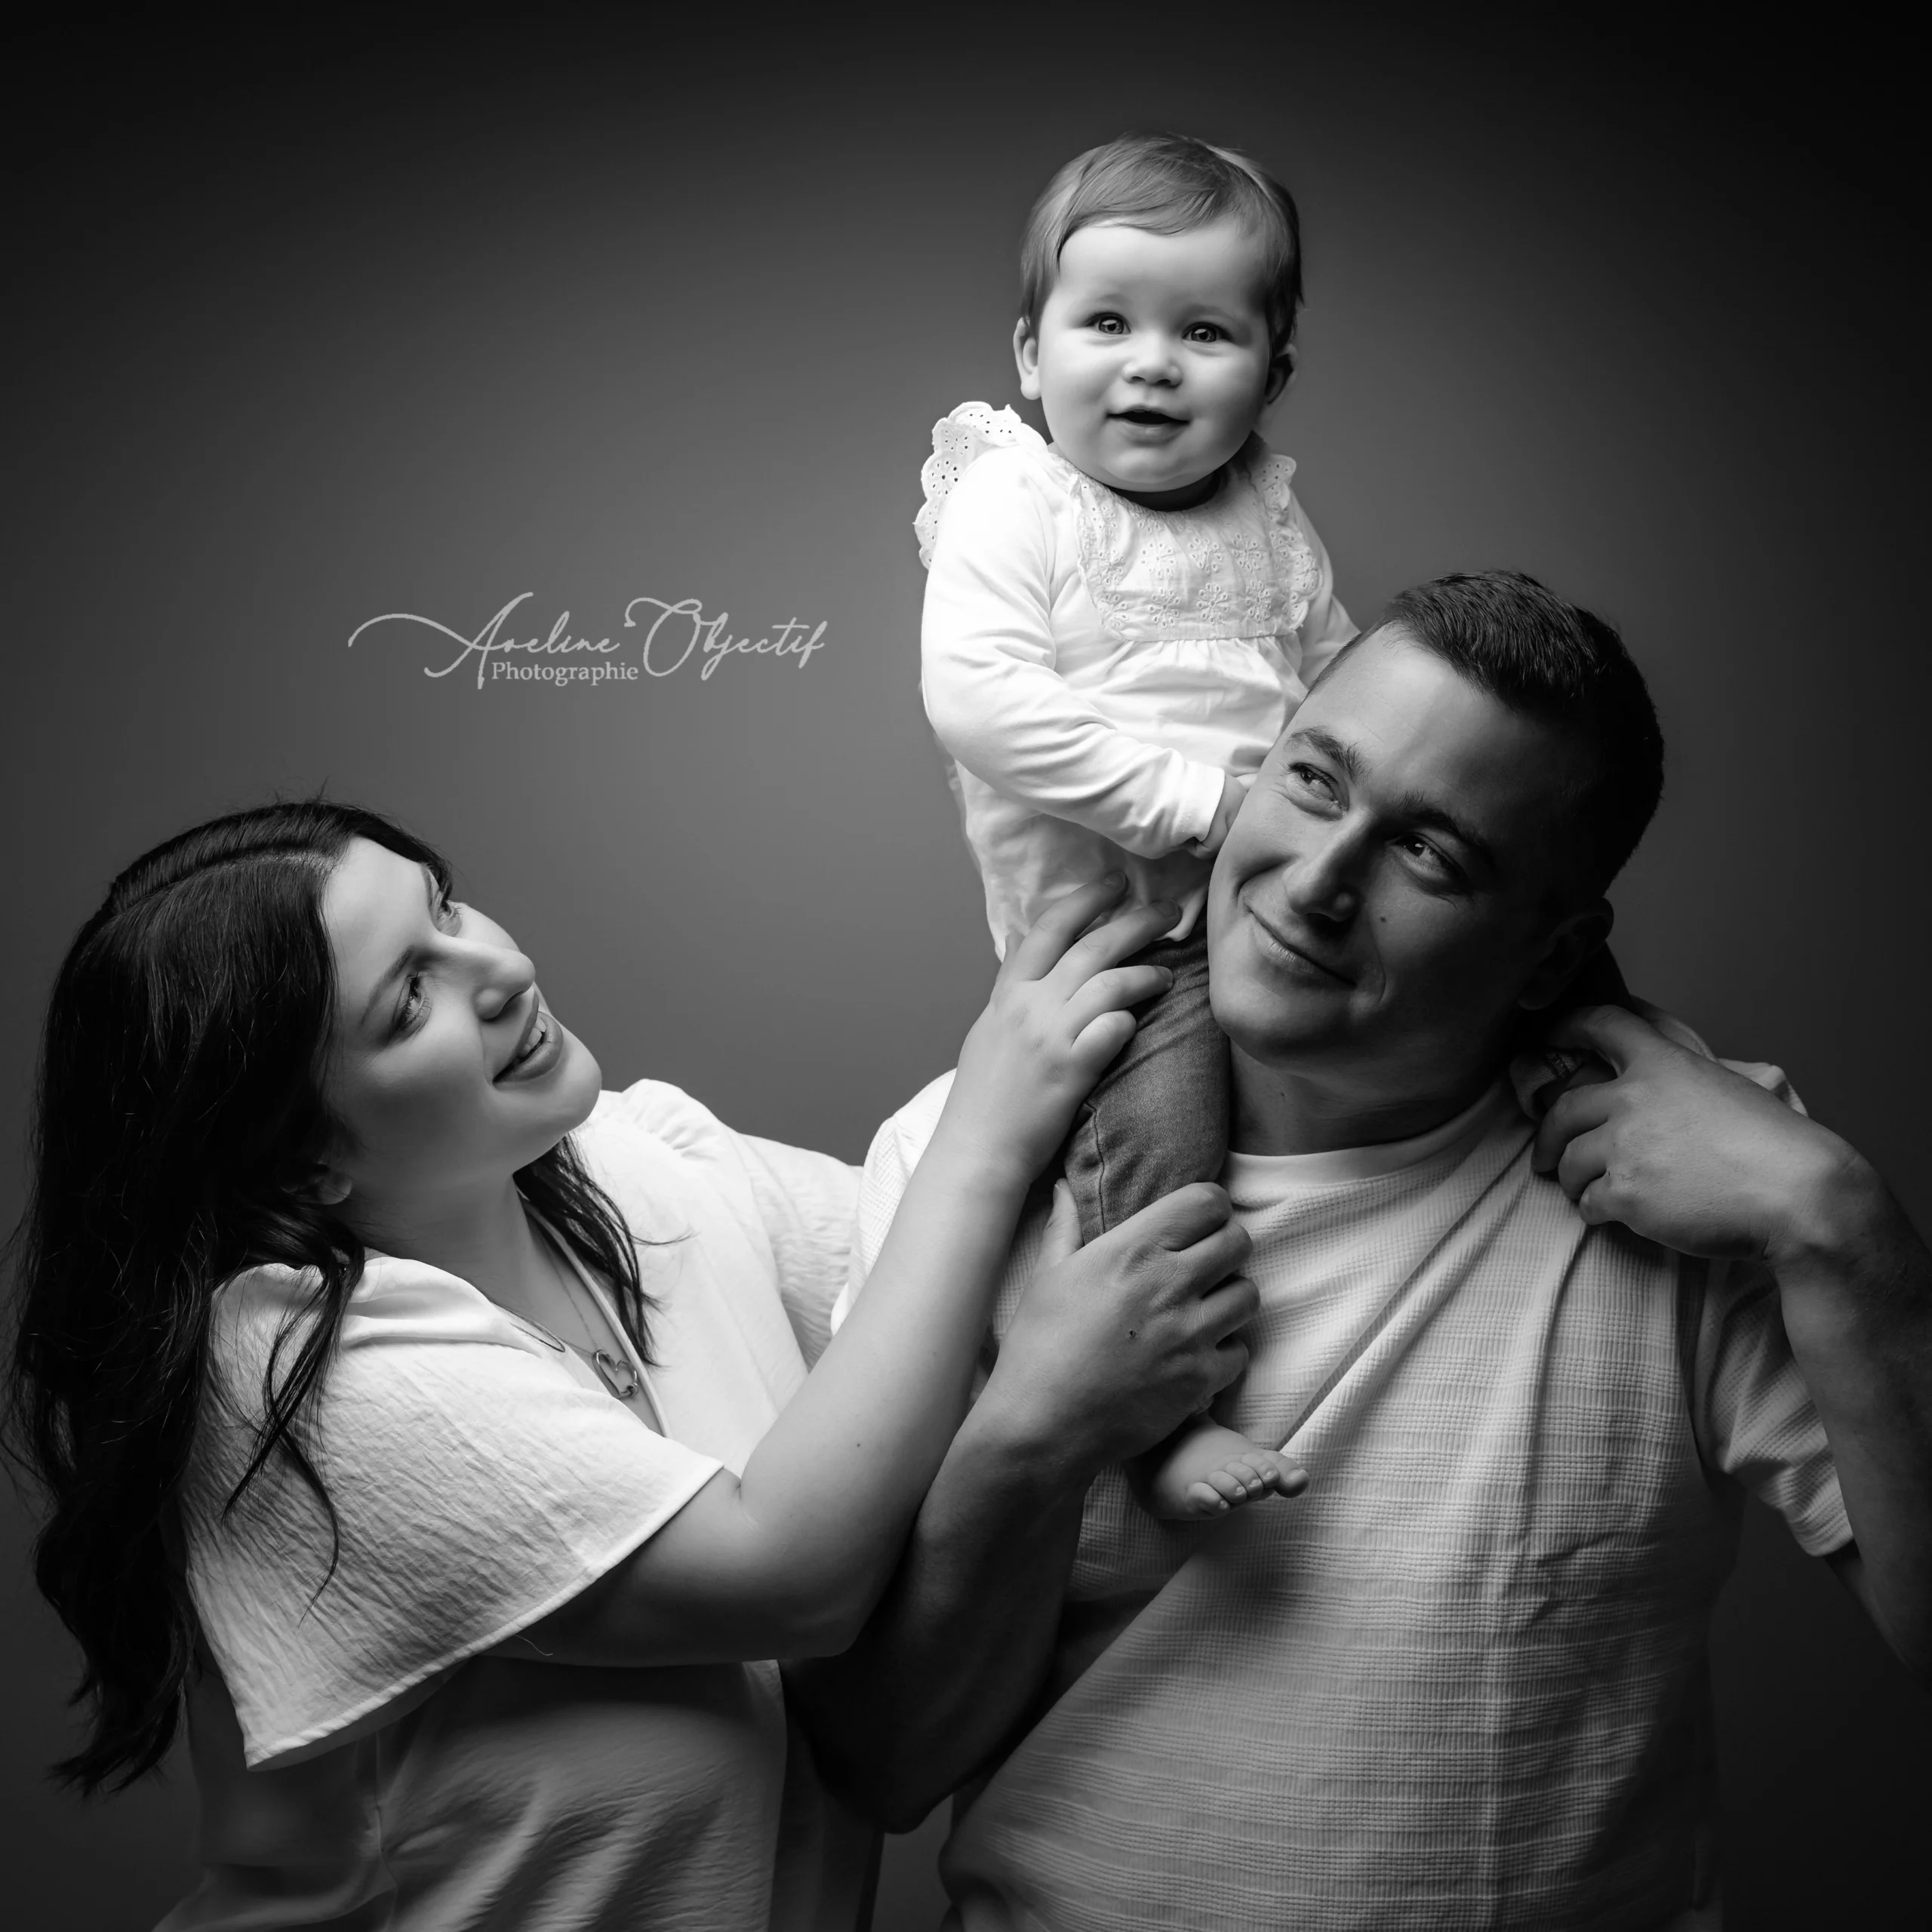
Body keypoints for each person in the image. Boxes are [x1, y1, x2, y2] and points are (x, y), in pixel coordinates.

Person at [795, 571, 1932, 1929]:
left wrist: (1841, 1226)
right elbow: (879, 1763)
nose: (1320, 882)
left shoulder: (1716, 1186)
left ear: (1549, 951)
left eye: (1430, 856)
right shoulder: (974, 1154)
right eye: (1316, 783)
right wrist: (1037, 1428)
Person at [2, 801, 1274, 1931]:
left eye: (446, 908)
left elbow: (966, 1286)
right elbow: (794, 1574)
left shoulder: (639, 1170)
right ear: (299, 1166)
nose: (497, 969)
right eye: (408, 1001)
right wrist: (991, 1132)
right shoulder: (288, 1379)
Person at [916, 131, 1355, 1518]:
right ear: (1032, 355)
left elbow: (1344, 687)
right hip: (1124, 939)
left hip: (1285, 895)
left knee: (1498, 961)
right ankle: (1165, 1421)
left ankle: (1606, 1080)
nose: (1150, 361)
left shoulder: (1272, 522)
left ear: (1271, 375)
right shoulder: (1020, 497)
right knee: (1159, 1134)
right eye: (1105, 321)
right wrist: (1208, 811)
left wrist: (1350, 795)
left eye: (1205, 330)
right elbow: (980, 700)